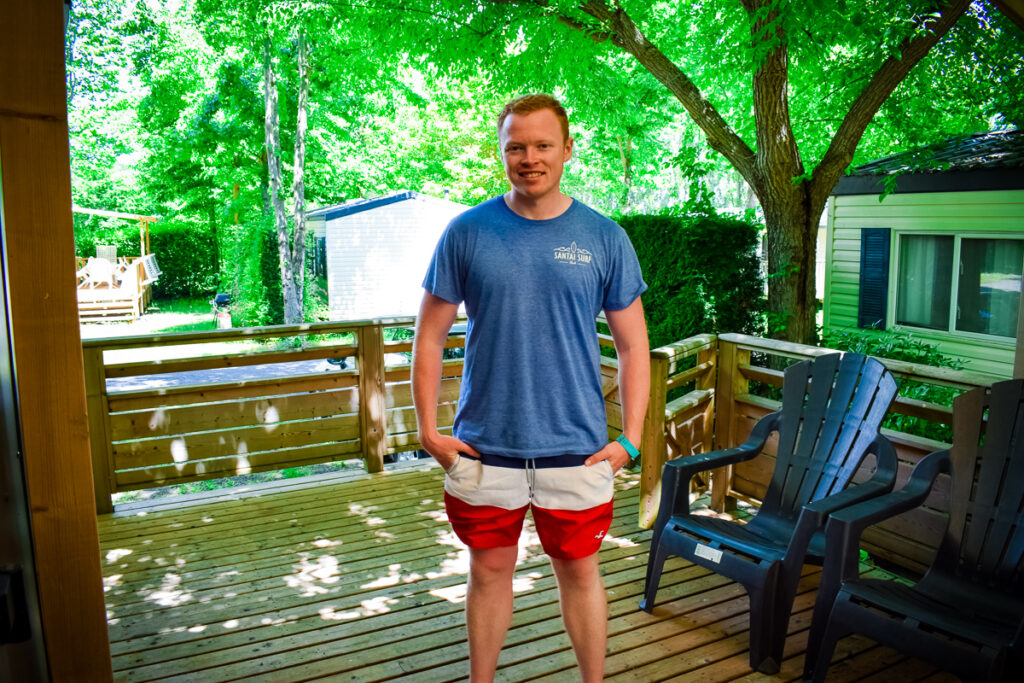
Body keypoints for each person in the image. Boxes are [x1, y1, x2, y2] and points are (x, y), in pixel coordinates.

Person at [412, 93, 650, 682]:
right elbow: (428, 336)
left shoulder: (604, 236)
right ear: (500, 152)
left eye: (543, 145)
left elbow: (633, 346)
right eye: (516, 146)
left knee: (580, 573)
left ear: (567, 150)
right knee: (488, 573)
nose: (530, 158)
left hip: (578, 447)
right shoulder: (467, 231)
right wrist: (427, 432)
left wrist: (632, 439)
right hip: (485, 446)